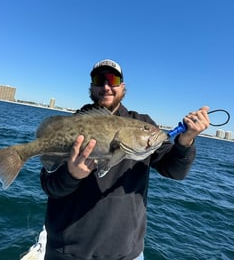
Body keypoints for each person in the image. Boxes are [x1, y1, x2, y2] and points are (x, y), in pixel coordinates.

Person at [40, 59, 210, 260]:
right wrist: (71, 175)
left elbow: (175, 171)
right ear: (91, 86)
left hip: (127, 253)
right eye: (99, 79)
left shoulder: (143, 124)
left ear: (123, 86)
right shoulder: (72, 125)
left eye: (113, 79)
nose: (106, 86)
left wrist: (186, 140)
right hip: (66, 252)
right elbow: (50, 186)